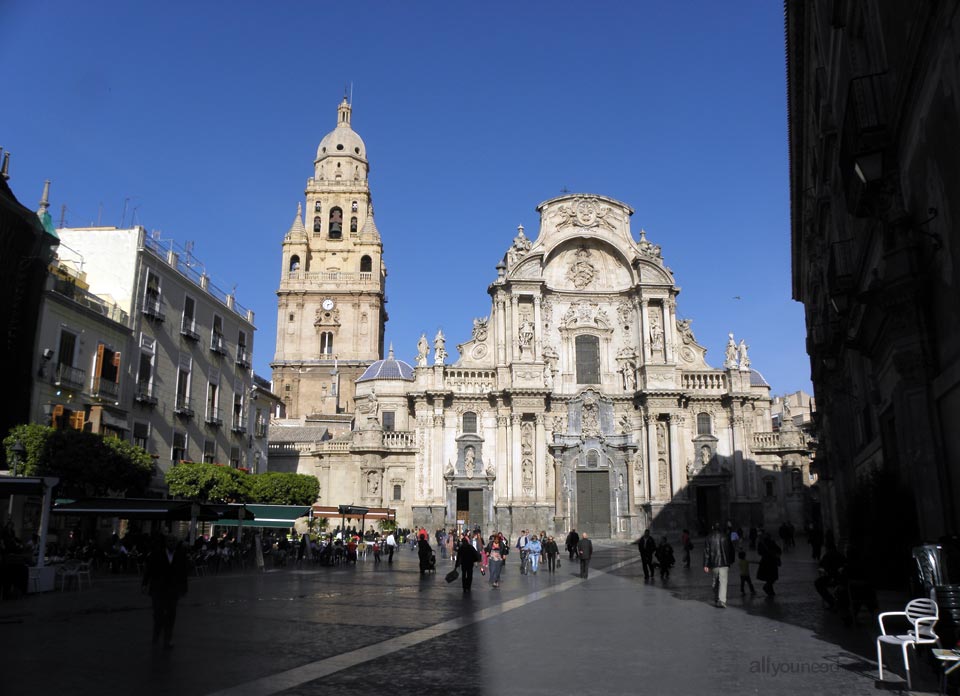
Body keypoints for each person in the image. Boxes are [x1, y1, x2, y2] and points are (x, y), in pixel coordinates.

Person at [142, 534, 188, 649]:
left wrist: (184, 588)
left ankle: (167, 639)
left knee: (171, 615)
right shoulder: (157, 554)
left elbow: (183, 573)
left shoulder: (180, 555)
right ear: (166, 542)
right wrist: (144, 583)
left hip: (173, 590)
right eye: (169, 541)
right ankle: (156, 636)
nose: (171, 543)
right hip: (158, 589)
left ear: (176, 543)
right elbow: (149, 569)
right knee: (158, 614)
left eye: (173, 541)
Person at [703, 522, 735, 608]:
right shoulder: (726, 537)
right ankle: (722, 600)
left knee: (715, 581)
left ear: (713, 528)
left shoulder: (708, 538)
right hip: (725, 563)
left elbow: (706, 552)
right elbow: (731, 549)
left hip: (714, 563)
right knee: (723, 581)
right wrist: (731, 560)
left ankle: (718, 598)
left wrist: (706, 565)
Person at [756, 531, 782, 597]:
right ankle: (768, 588)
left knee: (768, 577)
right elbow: (779, 550)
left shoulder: (761, 543)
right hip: (772, 561)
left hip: (764, 561)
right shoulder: (771, 542)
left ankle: (770, 590)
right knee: (772, 577)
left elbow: (759, 552)